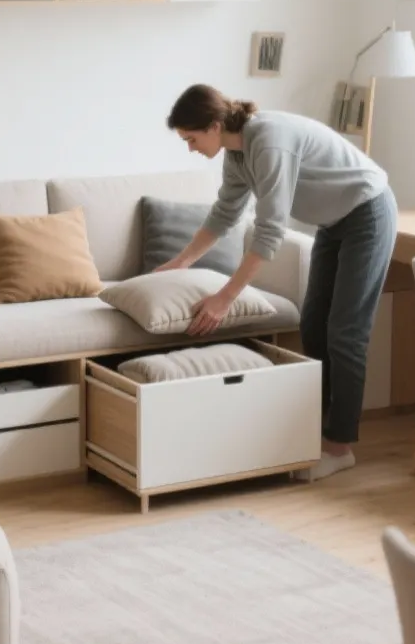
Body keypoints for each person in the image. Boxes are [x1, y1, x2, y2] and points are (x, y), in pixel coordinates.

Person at [157, 84, 396, 480]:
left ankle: (339, 447)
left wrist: (224, 298)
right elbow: (225, 214)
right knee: (313, 323)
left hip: (368, 213)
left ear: (215, 125)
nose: (190, 148)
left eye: (192, 138)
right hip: (335, 223)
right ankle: (315, 432)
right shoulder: (236, 155)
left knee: (346, 332)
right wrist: (180, 262)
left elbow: (269, 233)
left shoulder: (268, 142)